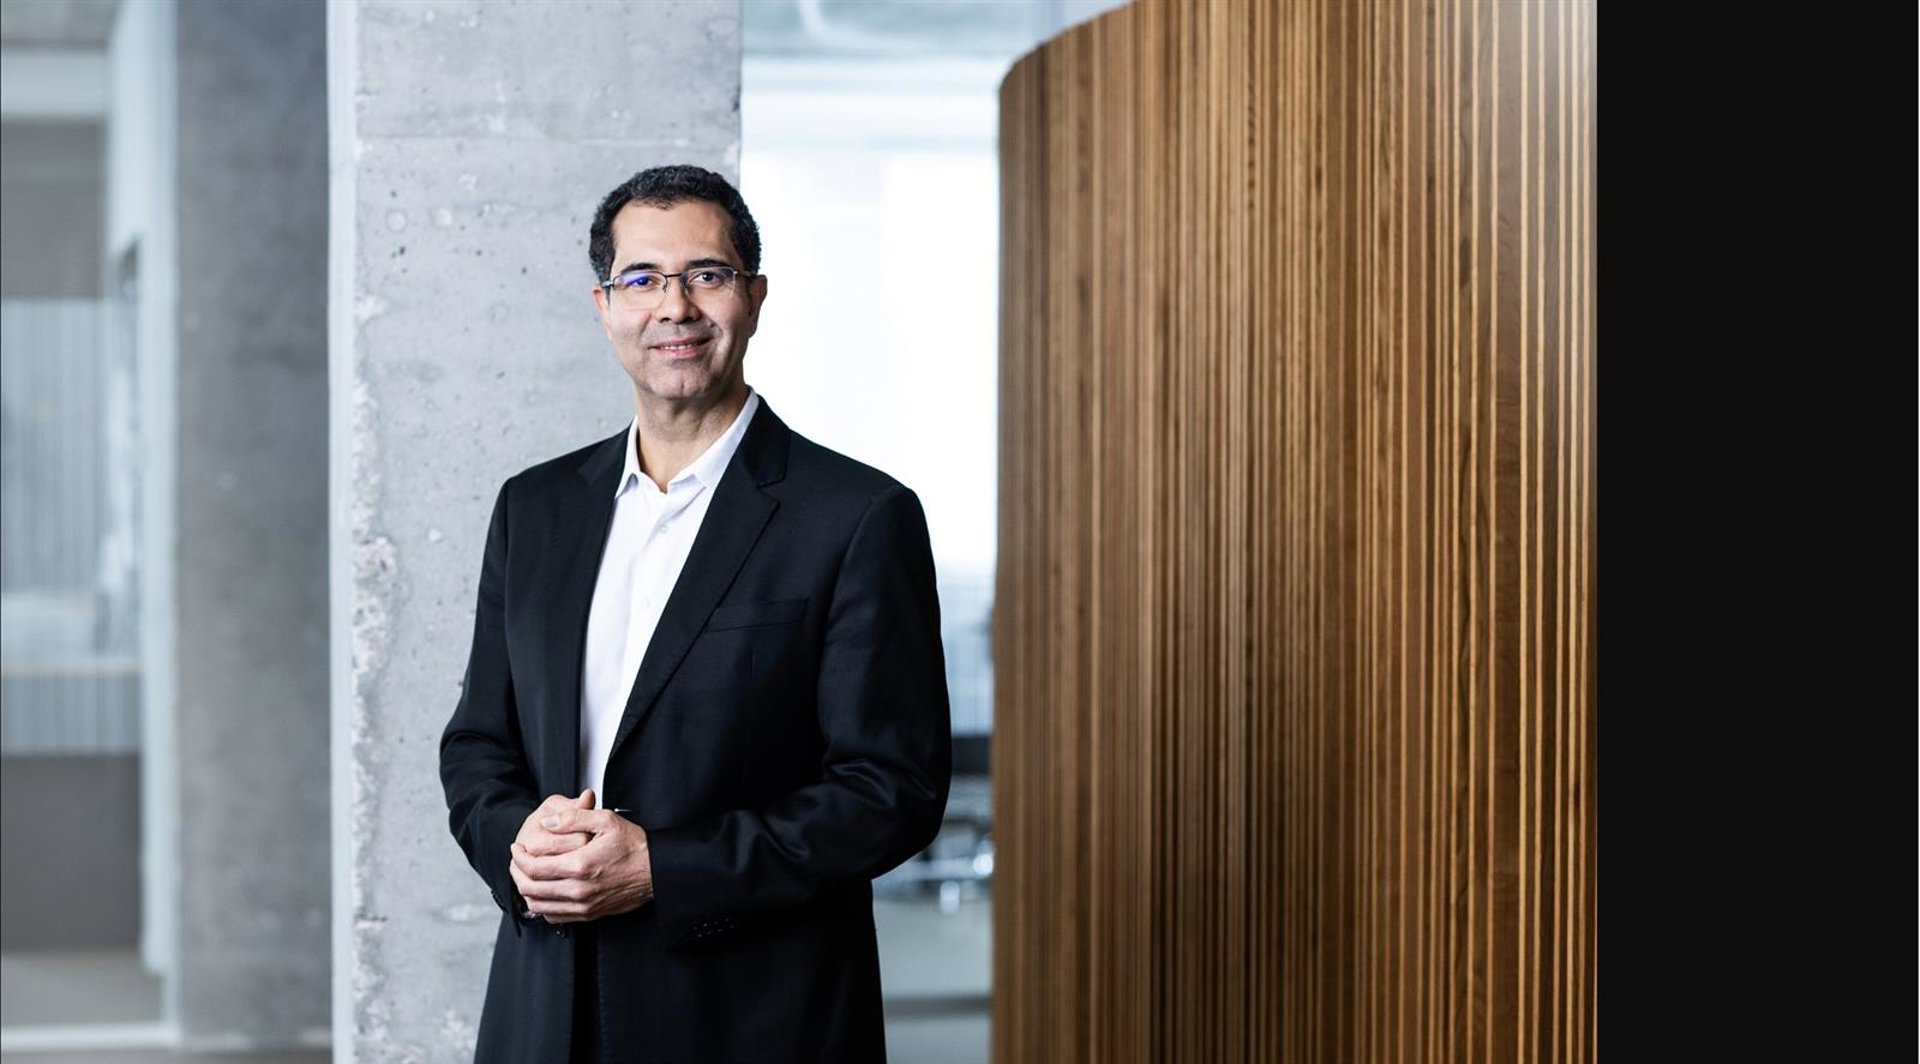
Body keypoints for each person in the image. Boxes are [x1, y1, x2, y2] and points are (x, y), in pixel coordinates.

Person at [439, 164, 952, 1063]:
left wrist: (664, 870)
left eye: (706, 275)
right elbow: (479, 742)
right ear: (604, 306)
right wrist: (517, 845)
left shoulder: (858, 515)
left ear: (753, 297)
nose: (673, 307)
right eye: (641, 279)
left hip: (751, 1016)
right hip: (544, 1006)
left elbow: (891, 791)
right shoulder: (536, 509)